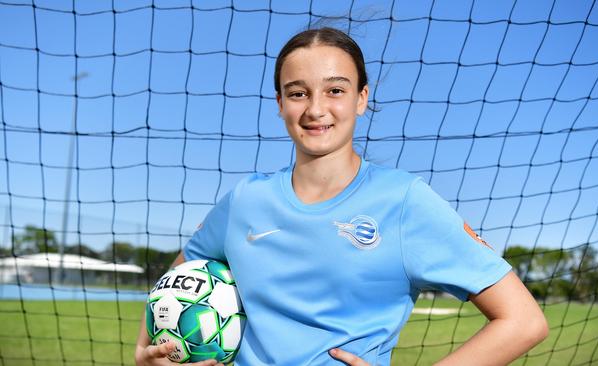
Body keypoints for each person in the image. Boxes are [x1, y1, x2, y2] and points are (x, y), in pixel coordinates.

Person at [135, 27, 548, 366]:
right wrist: (148, 351)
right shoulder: (246, 198)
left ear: (362, 98)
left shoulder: (404, 201)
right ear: (280, 104)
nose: (316, 109)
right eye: (298, 93)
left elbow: (523, 320)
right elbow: (180, 273)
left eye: (335, 90)